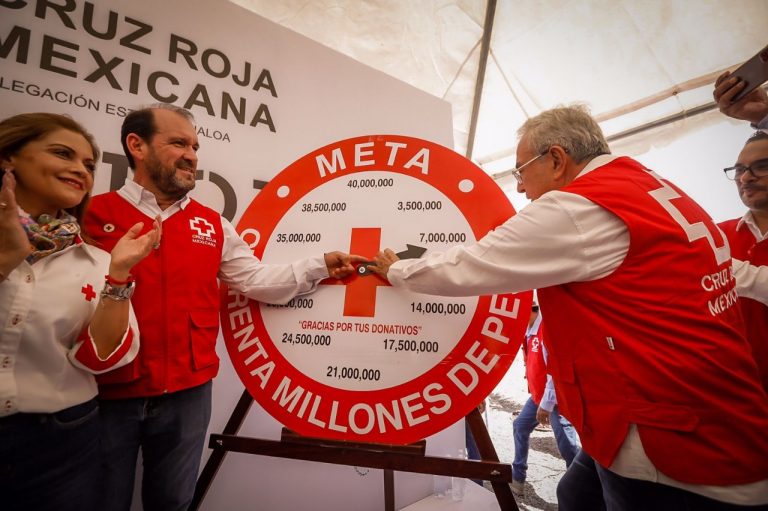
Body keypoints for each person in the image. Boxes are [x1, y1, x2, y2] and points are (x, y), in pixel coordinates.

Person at [369, 105, 768, 510]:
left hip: (665, 439)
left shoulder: (578, 206)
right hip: (702, 415)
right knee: (574, 494)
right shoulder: (652, 189)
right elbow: (729, 270)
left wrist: (398, 269)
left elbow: (471, 264)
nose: (521, 189)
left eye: (521, 171)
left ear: (557, 159)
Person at [83, 103, 363, 511]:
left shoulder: (213, 223)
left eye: (195, 147)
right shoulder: (91, 214)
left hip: (188, 395)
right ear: (136, 146)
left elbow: (255, 280)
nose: (192, 156)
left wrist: (320, 265)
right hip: (105, 392)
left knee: (173, 502)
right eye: (179, 143)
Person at [0, 112, 160, 511]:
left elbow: (99, 358)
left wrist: (118, 275)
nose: (80, 170)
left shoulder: (97, 261)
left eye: (88, 165)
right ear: (8, 157)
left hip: (64, 442)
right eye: (62, 153)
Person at [714, 74, 768, 393]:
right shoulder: (716, 236)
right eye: (739, 170)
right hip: (736, 393)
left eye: (761, 166)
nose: (745, 178)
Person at [511, 301, 579, 496]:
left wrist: (547, 403)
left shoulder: (546, 330)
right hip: (539, 396)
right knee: (520, 426)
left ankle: (582, 487)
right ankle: (518, 477)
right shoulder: (529, 330)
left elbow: (554, 369)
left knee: (567, 446)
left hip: (555, 399)